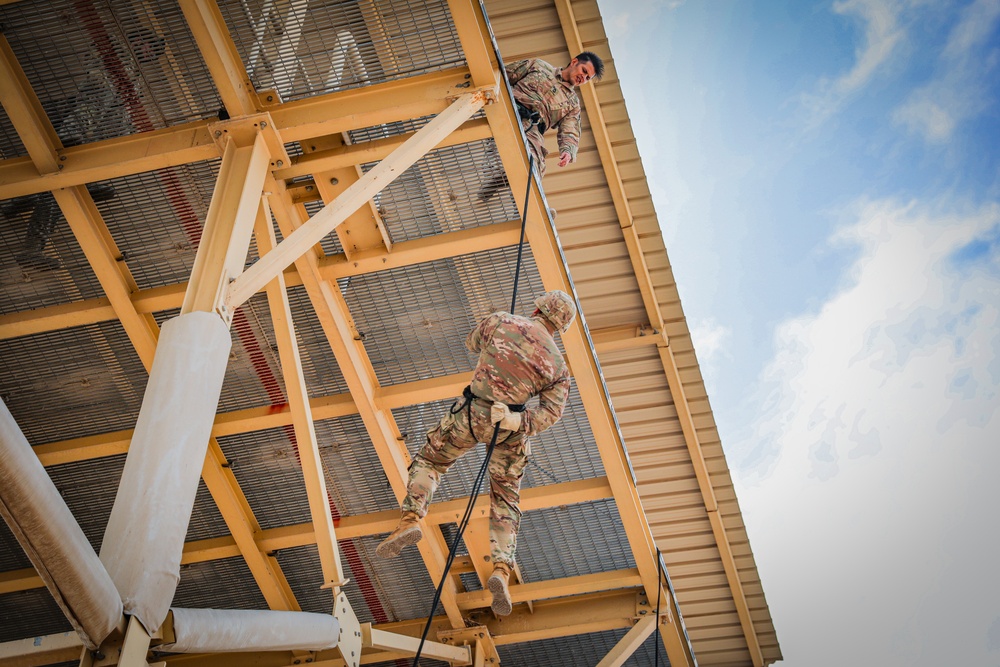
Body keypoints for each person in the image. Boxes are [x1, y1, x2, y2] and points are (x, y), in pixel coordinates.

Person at [376, 290, 578, 616]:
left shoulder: (501, 321)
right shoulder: (559, 367)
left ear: (537, 308)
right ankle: (501, 570)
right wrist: (515, 420)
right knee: (505, 499)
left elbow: (471, 343)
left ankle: (411, 519)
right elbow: (550, 415)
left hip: (472, 415)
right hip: (509, 427)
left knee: (432, 461)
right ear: (562, 326)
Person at [478, 51, 605, 203]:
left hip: (533, 129)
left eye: (587, 78)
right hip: (509, 109)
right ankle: (493, 178)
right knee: (501, 147)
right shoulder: (539, 66)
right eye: (584, 71)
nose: (583, 78)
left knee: (535, 165)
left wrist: (568, 151)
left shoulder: (572, 103)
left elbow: (570, 130)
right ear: (574, 62)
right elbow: (504, 75)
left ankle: (524, 204)